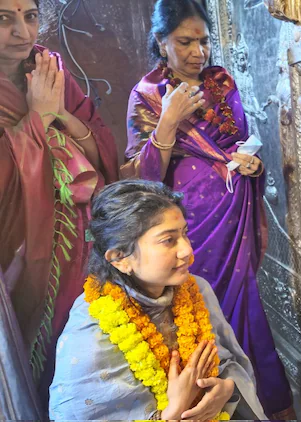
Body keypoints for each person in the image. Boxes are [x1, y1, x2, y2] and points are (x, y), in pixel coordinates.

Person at [122, 0, 292, 416]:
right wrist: (168, 120)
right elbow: (138, 176)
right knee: (200, 307)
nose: (199, 52)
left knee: (245, 304)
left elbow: (237, 143)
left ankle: (264, 404)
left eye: (204, 41)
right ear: (162, 43)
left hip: (234, 216)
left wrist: (252, 162)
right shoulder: (147, 95)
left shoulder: (221, 82)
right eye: (185, 42)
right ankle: (209, 403)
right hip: (191, 223)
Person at [48, 180, 268, 420]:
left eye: (184, 234)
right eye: (168, 240)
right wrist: (173, 412)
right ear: (120, 258)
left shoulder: (197, 291)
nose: (186, 251)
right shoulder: (91, 333)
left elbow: (229, 364)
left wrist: (227, 390)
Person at [0, 0, 118, 406]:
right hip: (24, 242)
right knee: (40, 343)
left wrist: (57, 115)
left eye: (30, 17)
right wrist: (36, 119)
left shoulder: (50, 70)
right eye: (4, 19)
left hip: (82, 233)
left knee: (87, 332)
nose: (23, 33)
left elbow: (100, 144)